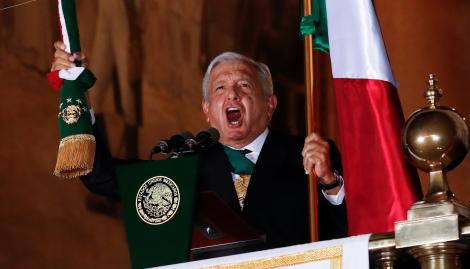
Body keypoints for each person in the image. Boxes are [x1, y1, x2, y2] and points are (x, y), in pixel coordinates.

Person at [51, 42, 347, 249]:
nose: (231, 95)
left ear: (270, 105)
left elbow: (354, 228)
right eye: (220, 88)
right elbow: (101, 176)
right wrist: (76, 91)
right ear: (207, 110)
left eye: (244, 86)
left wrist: (330, 184)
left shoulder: (311, 156)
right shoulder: (187, 163)